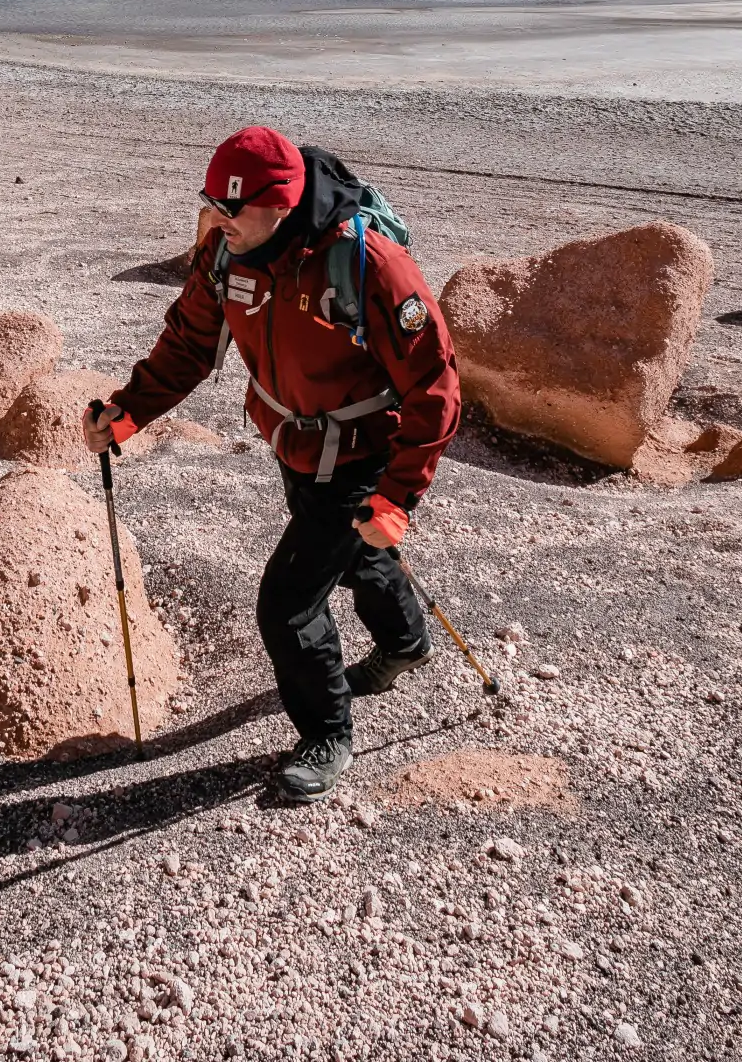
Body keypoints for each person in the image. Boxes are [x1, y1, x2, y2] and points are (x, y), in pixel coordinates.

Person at [83, 125, 461, 801]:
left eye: (232, 207)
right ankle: (406, 643)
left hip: (361, 455)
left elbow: (436, 384)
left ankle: (326, 736)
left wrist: (398, 496)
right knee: (357, 553)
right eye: (211, 202)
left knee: (286, 605)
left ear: (282, 203)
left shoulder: (366, 260)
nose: (216, 218)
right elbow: (190, 343)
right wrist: (131, 409)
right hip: (293, 445)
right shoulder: (227, 254)